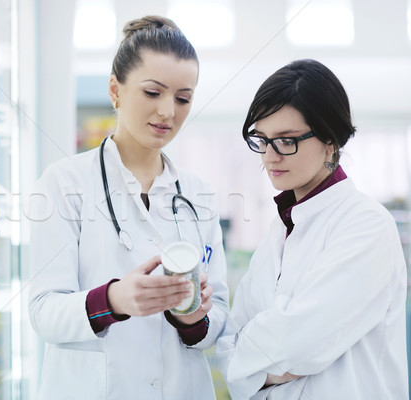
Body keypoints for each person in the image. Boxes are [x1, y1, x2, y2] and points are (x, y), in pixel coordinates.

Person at [28, 15, 229, 400]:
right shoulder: (64, 183)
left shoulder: (199, 195)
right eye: (153, 93)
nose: (169, 111)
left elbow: (217, 318)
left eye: (183, 98)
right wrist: (115, 300)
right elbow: (43, 313)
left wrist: (193, 319)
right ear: (115, 91)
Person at [216, 59, 408, 399]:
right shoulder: (280, 231)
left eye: (287, 141)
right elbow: (228, 348)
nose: (270, 157)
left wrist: (255, 363)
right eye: (262, 139)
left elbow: (300, 342)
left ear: (330, 140)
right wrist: (261, 361)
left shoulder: (366, 225)